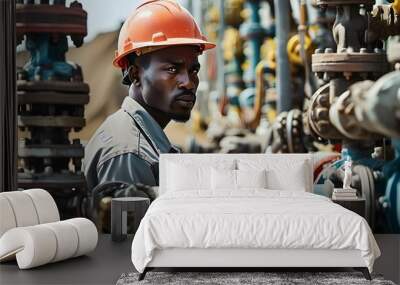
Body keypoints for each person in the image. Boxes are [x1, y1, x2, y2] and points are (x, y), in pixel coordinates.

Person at [83, 0, 215, 193]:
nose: (188, 82)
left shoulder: (142, 140)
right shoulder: (130, 154)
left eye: (193, 70)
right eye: (172, 69)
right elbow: (132, 223)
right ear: (135, 74)